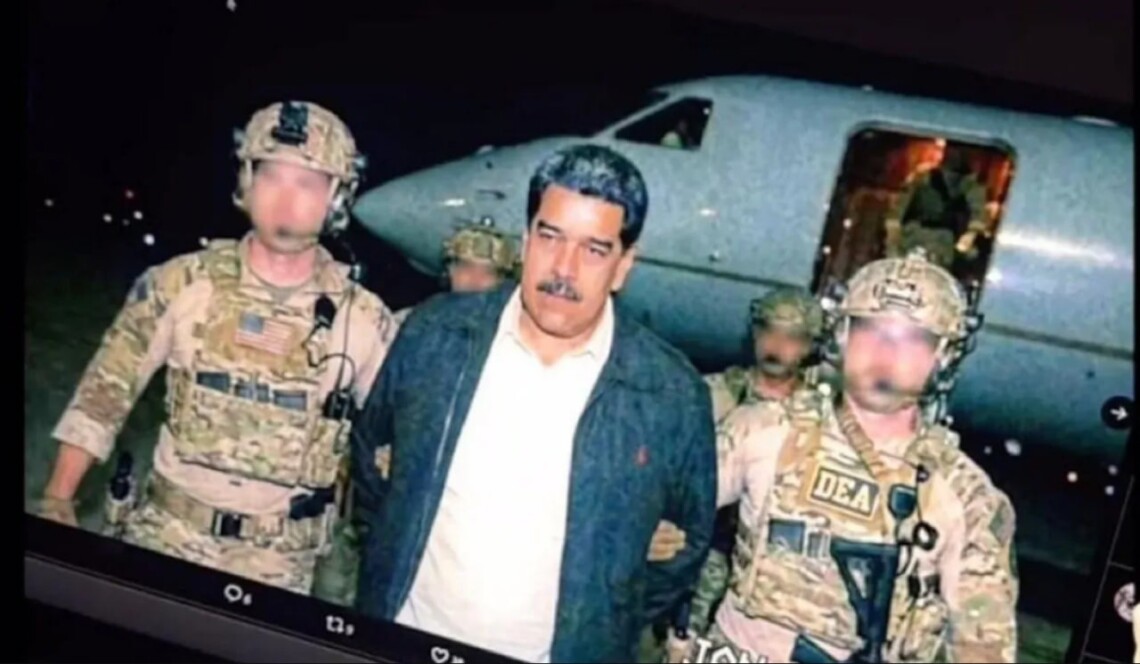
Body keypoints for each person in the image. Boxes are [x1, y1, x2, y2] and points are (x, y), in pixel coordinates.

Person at [351, 143, 717, 663]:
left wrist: (599, 620)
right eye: (550, 237)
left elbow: (679, 553)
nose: (564, 268)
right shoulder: (436, 334)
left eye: (594, 250)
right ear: (525, 241)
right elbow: (372, 468)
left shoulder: (669, 395)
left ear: (623, 267)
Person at [36, 100, 398, 596]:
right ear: (247, 182)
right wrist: (58, 498)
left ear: (336, 199)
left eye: (307, 183)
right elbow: (105, 393)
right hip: (165, 538)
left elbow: (392, 445)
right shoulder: (178, 284)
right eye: (271, 176)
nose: (285, 198)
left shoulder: (365, 319)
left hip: (278, 563)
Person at [674, 248, 1018, 662]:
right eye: (871, 329)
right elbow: (658, 516)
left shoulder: (964, 496)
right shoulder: (763, 431)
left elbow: (982, 646)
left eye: (913, 337)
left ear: (943, 357)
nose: (886, 351)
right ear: (842, 336)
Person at [884, 140, 988, 272]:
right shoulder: (923, 177)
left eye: (960, 151)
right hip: (913, 236)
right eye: (952, 150)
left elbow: (978, 215)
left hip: (944, 244)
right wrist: (893, 238)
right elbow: (898, 209)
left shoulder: (971, 187)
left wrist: (970, 235)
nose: (955, 155)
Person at [390, 223, 518, 327]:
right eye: (466, 267)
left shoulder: (512, 333)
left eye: (488, 272)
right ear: (450, 270)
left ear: (502, 280)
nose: (475, 279)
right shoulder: (412, 321)